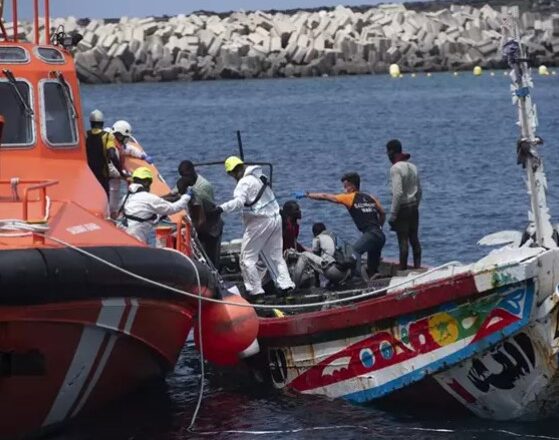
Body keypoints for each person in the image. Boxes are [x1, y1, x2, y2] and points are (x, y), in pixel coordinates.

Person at [216, 156, 295, 299]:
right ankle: (286, 287)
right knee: (276, 257)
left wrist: (220, 209)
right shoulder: (260, 177)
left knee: (247, 258)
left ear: (230, 173)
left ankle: (256, 292)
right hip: (276, 219)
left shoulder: (243, 184)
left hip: (259, 222)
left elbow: (239, 203)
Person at [295, 172, 386, 280]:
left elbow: (325, 196)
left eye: (346, 186)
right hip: (380, 236)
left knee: (354, 253)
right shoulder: (371, 197)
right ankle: (374, 278)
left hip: (370, 234)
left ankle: (358, 280)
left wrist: (307, 194)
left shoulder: (349, 197)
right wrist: (379, 226)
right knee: (372, 267)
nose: (344, 190)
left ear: (352, 186)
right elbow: (383, 213)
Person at [119, 167, 190, 244]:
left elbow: (145, 207)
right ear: (147, 182)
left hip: (125, 234)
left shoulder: (126, 197)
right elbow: (172, 208)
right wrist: (186, 197)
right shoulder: (148, 198)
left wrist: (172, 198)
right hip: (137, 238)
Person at [386, 139, 422, 270]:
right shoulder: (413, 167)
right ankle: (418, 267)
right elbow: (419, 191)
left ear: (392, 152)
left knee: (403, 241)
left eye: (388, 152)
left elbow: (398, 193)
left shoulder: (395, 169)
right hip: (413, 206)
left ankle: (403, 270)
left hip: (403, 208)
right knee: (414, 239)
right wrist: (416, 205)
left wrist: (393, 215)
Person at [108, 120, 152, 218]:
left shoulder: (119, 146)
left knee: (115, 202)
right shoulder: (112, 149)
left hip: (116, 180)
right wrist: (124, 176)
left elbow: (130, 149)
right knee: (111, 205)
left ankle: (114, 216)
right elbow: (110, 168)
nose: (127, 140)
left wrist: (143, 155)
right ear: (119, 135)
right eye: (126, 137)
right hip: (110, 181)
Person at [176, 176, 223, 266]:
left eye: (181, 192)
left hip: (212, 227)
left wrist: (191, 232)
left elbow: (202, 220)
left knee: (211, 257)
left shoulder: (195, 200)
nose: (180, 195)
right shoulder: (187, 195)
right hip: (202, 227)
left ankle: (215, 275)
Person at [292, 222, 351, 288]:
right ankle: (334, 282)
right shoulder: (333, 236)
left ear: (315, 233)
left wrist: (317, 282)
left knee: (304, 256)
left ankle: (294, 286)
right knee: (328, 260)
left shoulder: (317, 238)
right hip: (346, 272)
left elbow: (315, 260)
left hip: (334, 273)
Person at [85, 109, 123, 196]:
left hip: (89, 173)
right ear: (102, 123)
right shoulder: (107, 136)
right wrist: (120, 171)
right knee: (104, 196)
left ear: (91, 123)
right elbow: (112, 155)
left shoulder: (85, 135)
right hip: (103, 174)